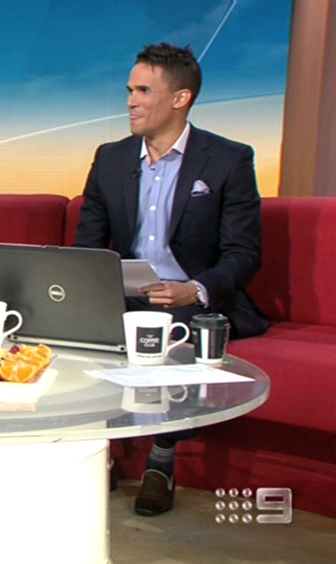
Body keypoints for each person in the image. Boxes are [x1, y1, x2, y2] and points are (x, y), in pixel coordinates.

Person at [75, 43, 268, 516]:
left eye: (143, 91)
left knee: (168, 330)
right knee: (73, 326)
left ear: (181, 99)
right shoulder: (111, 158)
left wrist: (194, 289)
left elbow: (243, 254)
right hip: (124, 293)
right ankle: (98, 454)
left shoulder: (228, 160)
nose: (130, 101)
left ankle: (161, 462)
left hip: (190, 298)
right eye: (129, 90)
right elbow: (88, 246)